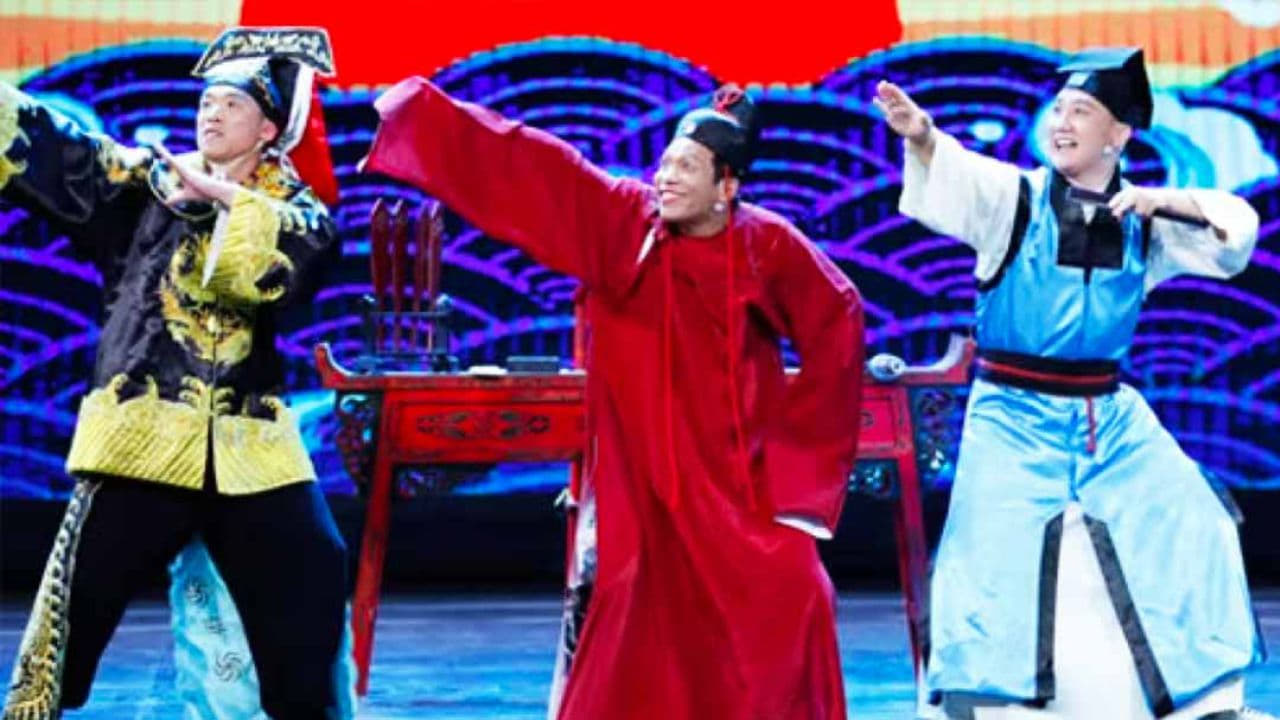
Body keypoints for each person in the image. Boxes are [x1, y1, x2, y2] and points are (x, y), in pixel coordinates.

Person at [363, 78, 865, 719]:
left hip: (735, 482)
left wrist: (798, 473)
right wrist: (424, 117)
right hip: (641, 479)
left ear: (728, 186)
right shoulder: (626, 221)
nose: (666, 178)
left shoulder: (765, 243)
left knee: (796, 592)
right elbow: (537, 168)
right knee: (635, 609)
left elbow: (838, 317)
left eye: (687, 167)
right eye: (665, 163)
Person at [876, 47, 1267, 719]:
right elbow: (963, 176)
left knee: (1196, 516)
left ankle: (1205, 696)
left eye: (1081, 112)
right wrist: (924, 137)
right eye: (1057, 110)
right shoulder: (1015, 202)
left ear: (1118, 134)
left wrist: (1162, 200)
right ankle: (987, 701)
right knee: (988, 544)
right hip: (1012, 411)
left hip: (1108, 412)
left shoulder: (1147, 222)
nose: (1061, 124)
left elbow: (1235, 232)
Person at [1, 27, 347, 720]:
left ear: (268, 130)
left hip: (249, 447)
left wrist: (226, 200)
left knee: (314, 568)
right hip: (144, 430)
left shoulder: (292, 207)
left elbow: (292, 264)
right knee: (74, 608)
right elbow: (56, 147)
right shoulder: (146, 186)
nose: (211, 114)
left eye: (232, 104)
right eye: (206, 101)